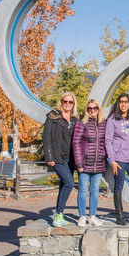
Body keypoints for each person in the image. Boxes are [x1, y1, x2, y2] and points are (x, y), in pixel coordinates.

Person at [105, 93, 129, 225]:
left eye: (126, 102)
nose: (123, 104)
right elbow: (108, 141)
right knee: (118, 187)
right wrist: (112, 160)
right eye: (121, 102)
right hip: (119, 159)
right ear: (118, 103)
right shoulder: (112, 120)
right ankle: (119, 215)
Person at [44, 92, 78, 228]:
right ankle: (58, 213)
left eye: (70, 102)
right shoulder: (53, 116)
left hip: (70, 158)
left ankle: (59, 213)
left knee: (64, 184)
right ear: (61, 102)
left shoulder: (75, 119)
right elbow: (46, 138)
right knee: (69, 183)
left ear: (73, 104)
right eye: (65, 101)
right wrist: (49, 157)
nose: (67, 104)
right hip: (57, 157)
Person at [73, 99, 108, 227]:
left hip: (98, 162)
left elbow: (107, 141)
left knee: (95, 190)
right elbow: (76, 143)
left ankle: (92, 216)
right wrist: (79, 163)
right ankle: (82, 216)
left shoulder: (103, 123)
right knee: (83, 189)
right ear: (87, 110)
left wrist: (105, 156)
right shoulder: (82, 123)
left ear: (98, 109)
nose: (92, 110)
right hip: (84, 162)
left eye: (95, 108)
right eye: (90, 108)